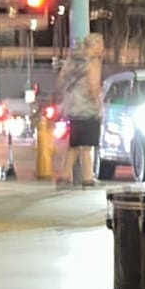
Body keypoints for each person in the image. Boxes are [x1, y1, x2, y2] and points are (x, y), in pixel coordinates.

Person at [58, 34, 103, 187]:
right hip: (87, 107)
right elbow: (93, 86)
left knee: (75, 144)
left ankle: (66, 177)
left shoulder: (72, 61)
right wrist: (97, 100)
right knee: (86, 145)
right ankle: (87, 178)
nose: (102, 49)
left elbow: (61, 80)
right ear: (95, 46)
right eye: (101, 45)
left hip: (72, 106)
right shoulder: (93, 62)